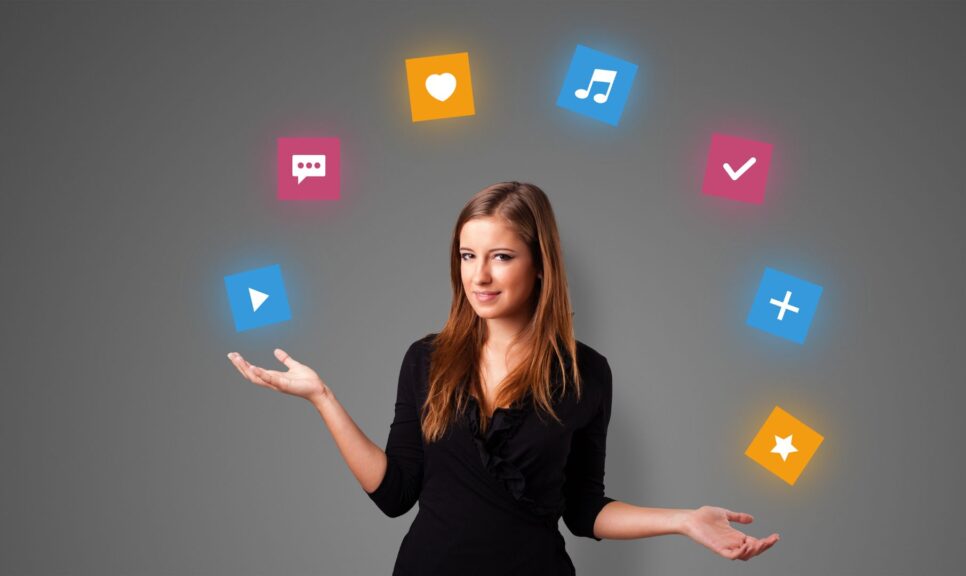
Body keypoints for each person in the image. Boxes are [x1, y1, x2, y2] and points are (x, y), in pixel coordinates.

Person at [227, 181, 779, 574]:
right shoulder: (426, 359)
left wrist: (683, 520)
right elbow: (396, 493)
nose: (480, 276)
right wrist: (322, 398)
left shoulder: (587, 373)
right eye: (468, 256)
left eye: (502, 257)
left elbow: (583, 509)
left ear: (540, 265)